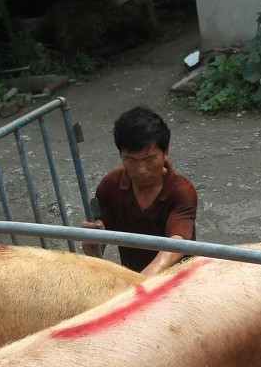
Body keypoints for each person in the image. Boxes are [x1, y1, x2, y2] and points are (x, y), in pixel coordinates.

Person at [82, 106, 197, 276]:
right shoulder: (110, 186)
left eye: (149, 159)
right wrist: (89, 243)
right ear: (120, 154)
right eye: (130, 160)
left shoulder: (181, 191)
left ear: (165, 152)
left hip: (177, 282)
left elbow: (175, 246)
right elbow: (98, 248)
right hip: (135, 278)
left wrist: (137, 284)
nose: (141, 170)